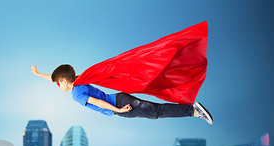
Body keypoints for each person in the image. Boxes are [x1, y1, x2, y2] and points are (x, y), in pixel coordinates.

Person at [31, 21, 213, 124]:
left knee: (154, 112)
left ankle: (193, 111)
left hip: (120, 104)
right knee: (154, 112)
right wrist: (39, 74)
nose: (57, 86)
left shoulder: (76, 94)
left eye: (57, 83)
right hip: (120, 98)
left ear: (64, 81)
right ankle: (192, 111)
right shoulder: (79, 80)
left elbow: (99, 103)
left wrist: (117, 110)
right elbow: (58, 77)